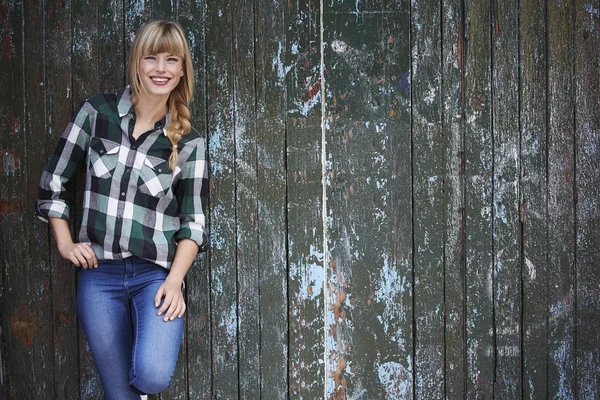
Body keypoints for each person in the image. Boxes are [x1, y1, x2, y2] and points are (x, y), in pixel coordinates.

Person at [36, 20, 208, 399]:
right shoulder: (96, 113)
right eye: (151, 58)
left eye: (170, 60)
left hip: (155, 277)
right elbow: (53, 180)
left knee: (151, 377)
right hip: (100, 276)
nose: (160, 68)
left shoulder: (190, 143)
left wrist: (175, 281)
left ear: (182, 70)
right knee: (120, 395)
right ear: (137, 62)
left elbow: (193, 223)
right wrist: (65, 245)